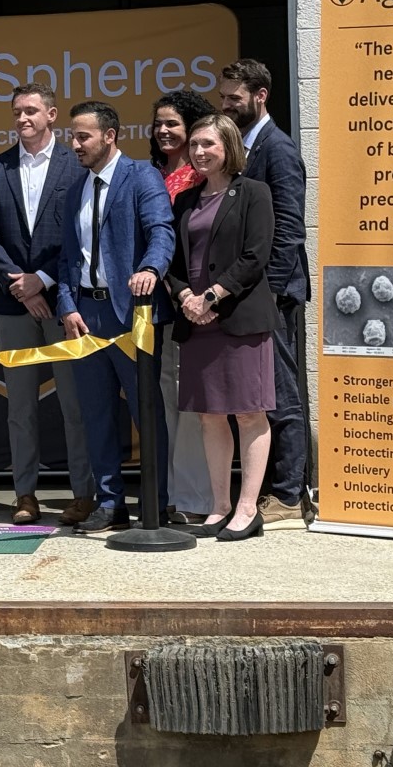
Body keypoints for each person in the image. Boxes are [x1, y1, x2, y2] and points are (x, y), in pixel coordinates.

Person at [0, 82, 95, 527]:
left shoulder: (74, 165)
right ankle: (25, 494)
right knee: (20, 407)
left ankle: (84, 493)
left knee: (74, 405)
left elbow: (80, 234)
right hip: (12, 304)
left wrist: (41, 282)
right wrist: (21, 287)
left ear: (52, 114)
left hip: (63, 301)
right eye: (16, 112)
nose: (23, 119)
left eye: (31, 111)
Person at [55, 101, 175, 534]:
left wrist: (150, 268)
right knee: (96, 413)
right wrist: (66, 306)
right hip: (86, 315)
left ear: (110, 136)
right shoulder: (75, 190)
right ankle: (110, 504)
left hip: (132, 314)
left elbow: (162, 230)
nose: (74, 144)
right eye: (72, 136)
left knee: (147, 411)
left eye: (82, 136)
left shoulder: (141, 175)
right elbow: (68, 257)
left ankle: (154, 504)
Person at [166, 114, 280, 541]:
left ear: (228, 146)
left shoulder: (254, 193)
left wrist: (212, 296)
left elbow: (256, 256)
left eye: (208, 144)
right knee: (210, 417)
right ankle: (219, 505)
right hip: (196, 321)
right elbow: (174, 264)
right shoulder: (185, 201)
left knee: (249, 413)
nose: (198, 152)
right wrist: (186, 299)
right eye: (194, 144)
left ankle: (249, 509)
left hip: (239, 319)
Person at [218, 58, 310, 531]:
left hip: (271, 294)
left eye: (235, 97)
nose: (227, 105)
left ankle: (289, 494)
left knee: (281, 393)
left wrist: (270, 291)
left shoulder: (278, 149)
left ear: (261, 95)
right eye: (224, 97)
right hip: (248, 293)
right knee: (260, 392)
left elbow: (291, 228)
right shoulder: (243, 147)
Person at [148, 90, 218, 523]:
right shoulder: (149, 174)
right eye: (158, 124)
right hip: (153, 304)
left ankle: (197, 500)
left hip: (195, 304)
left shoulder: (200, 178)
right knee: (164, 401)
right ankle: (172, 494)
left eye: (172, 123)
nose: (163, 131)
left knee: (193, 404)